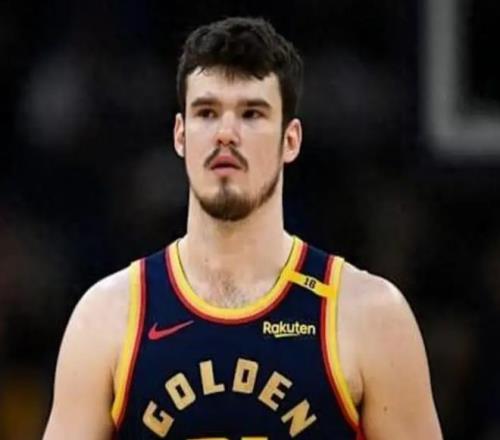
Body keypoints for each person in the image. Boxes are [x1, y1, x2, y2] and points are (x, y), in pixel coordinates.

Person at [43, 17, 442, 440]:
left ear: (291, 140)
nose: (226, 134)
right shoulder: (107, 316)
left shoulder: (370, 315)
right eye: (207, 113)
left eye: (251, 114)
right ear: (180, 136)